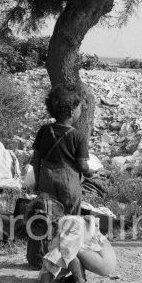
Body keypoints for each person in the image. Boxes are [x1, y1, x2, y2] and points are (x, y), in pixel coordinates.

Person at [31, 86, 94, 215]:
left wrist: (38, 181)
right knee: (70, 216)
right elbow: (82, 165)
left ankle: (48, 233)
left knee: (48, 213)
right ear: (72, 111)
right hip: (67, 180)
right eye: (80, 108)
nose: (80, 111)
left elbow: (36, 159)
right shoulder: (78, 135)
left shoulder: (44, 130)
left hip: (46, 177)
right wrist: (90, 173)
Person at [26, 215, 117, 283]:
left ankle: (80, 282)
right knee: (71, 248)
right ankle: (77, 277)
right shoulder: (74, 220)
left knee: (67, 250)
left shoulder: (68, 226)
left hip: (104, 263)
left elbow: (56, 258)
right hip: (108, 261)